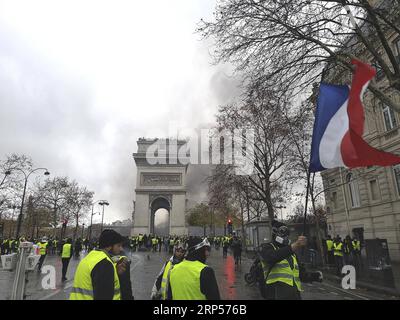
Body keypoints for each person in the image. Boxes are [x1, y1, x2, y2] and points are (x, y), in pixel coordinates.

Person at [259, 220, 323, 300]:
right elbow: (272, 257)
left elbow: (301, 275)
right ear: (275, 233)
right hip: (275, 295)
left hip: (294, 295)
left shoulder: (292, 254)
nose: (286, 237)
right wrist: (295, 245)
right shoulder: (267, 247)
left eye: (287, 235)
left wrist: (315, 276)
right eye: (282, 234)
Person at [69, 229, 127, 300]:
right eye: (118, 246)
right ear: (109, 246)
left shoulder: (91, 257)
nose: (121, 249)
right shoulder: (104, 264)